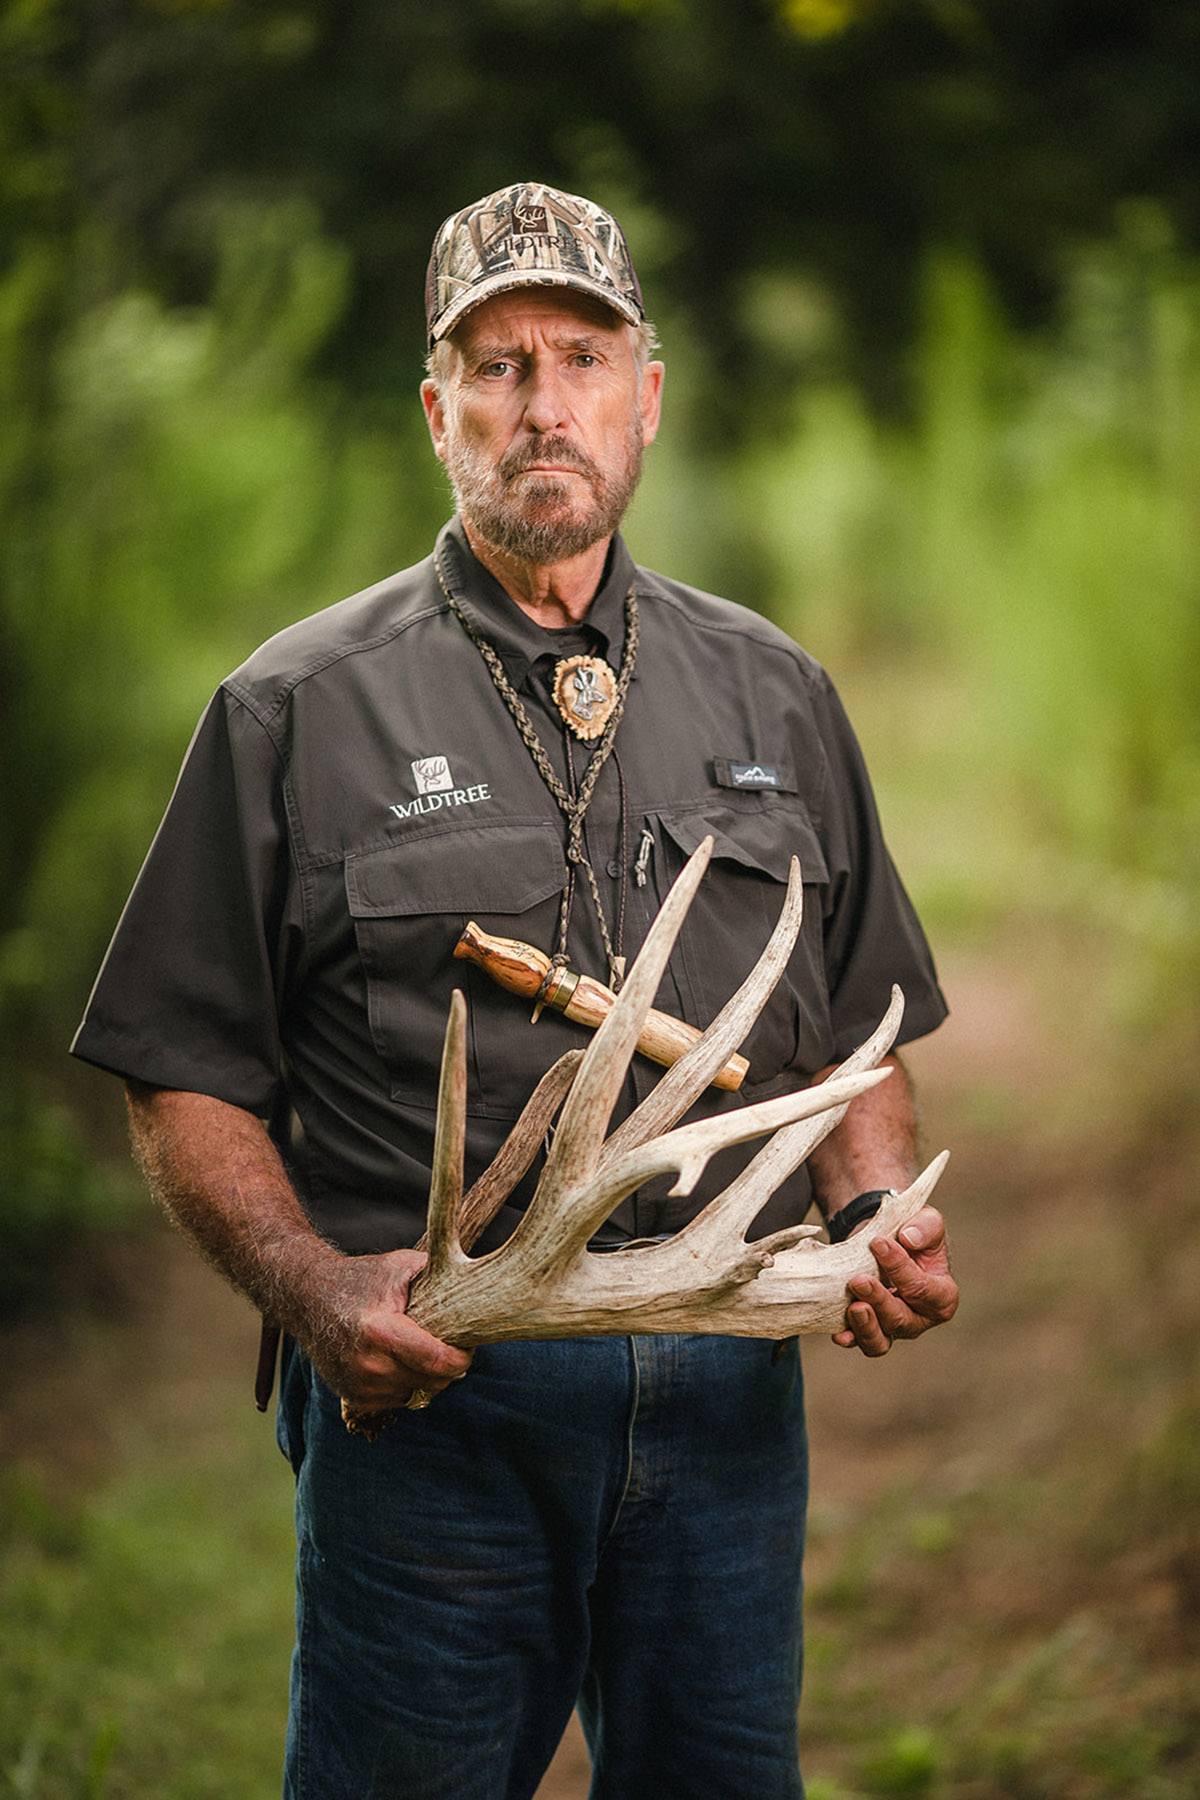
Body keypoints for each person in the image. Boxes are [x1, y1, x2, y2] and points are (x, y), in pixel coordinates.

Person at [73, 181, 959, 1799]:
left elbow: (849, 1034)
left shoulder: (777, 690)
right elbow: (179, 1063)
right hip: (434, 1408)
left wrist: (875, 1209)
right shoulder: (292, 710)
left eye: (579, 356)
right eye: (494, 364)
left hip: (722, 1397)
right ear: (436, 409)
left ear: (648, 394)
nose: (541, 404)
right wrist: (310, 1288)